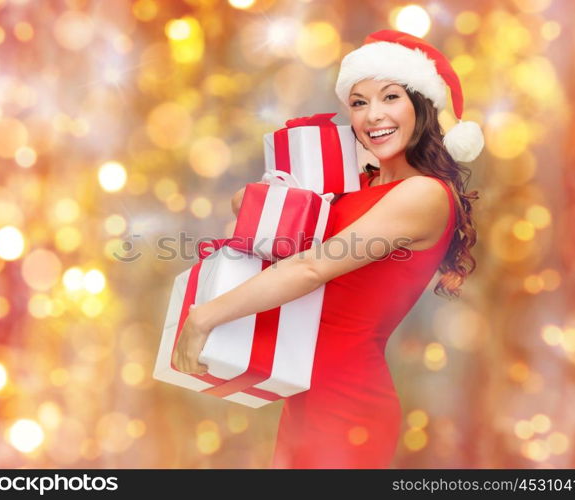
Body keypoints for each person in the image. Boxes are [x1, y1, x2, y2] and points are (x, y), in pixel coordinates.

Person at [172, 29, 483, 468]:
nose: (374, 115)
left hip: (347, 401)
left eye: (390, 97)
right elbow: (257, 220)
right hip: (303, 389)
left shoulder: (425, 195)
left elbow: (312, 267)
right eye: (359, 102)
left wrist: (205, 316)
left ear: (420, 105)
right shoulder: (362, 186)